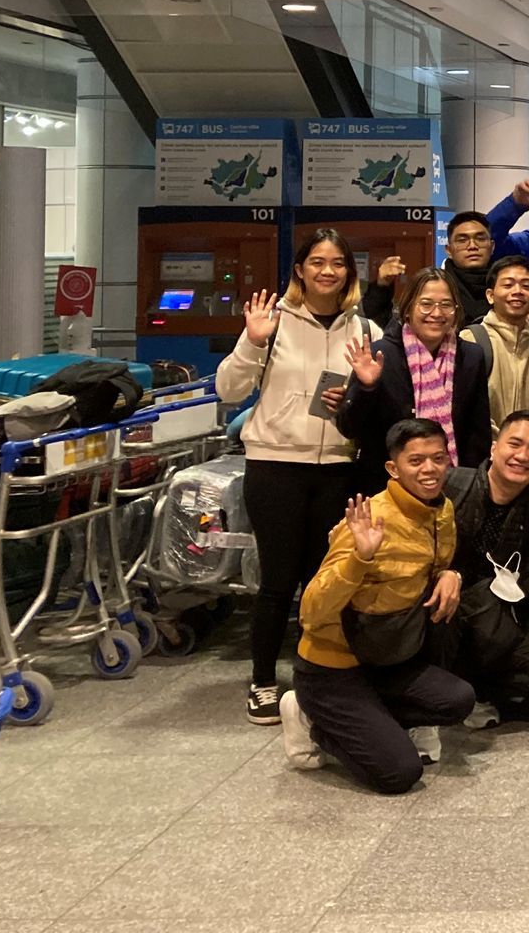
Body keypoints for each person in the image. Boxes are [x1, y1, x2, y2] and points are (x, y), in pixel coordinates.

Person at [216, 227, 380, 725]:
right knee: (278, 580)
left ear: (350, 273)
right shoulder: (274, 322)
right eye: (317, 262)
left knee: (324, 578)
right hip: (275, 465)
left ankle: (319, 672)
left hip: (336, 469)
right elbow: (228, 389)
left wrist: (362, 393)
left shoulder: (365, 329)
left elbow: (369, 411)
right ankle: (263, 680)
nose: (327, 271)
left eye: (337, 263)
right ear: (300, 270)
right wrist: (251, 342)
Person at [279, 418, 475, 793]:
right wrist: (360, 559)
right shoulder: (369, 522)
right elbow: (311, 611)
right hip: (333, 666)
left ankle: (373, 719)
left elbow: (438, 562)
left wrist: (453, 574)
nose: (430, 469)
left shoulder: (441, 509)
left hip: (387, 654)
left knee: (458, 701)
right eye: (416, 461)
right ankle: (309, 718)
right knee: (398, 773)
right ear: (393, 468)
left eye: (438, 457)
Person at [436, 410, 529, 723]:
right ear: (495, 447)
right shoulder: (452, 484)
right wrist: (446, 573)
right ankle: (451, 690)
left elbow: (524, 591)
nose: (522, 456)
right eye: (514, 444)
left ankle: (480, 689)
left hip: (496, 623)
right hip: (443, 611)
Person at [340, 267, 493, 476]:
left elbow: (478, 435)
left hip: (451, 484)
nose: (437, 313)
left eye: (446, 305)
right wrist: (367, 388)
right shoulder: (380, 355)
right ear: (408, 308)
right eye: (426, 304)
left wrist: (469, 483)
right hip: (384, 484)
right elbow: (349, 428)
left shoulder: (471, 356)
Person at [459, 255, 529, 430]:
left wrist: (522, 440)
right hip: (481, 450)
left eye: (526, 286)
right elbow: (466, 402)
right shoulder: (470, 340)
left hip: (527, 449)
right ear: (490, 295)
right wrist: (501, 442)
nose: (517, 291)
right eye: (508, 285)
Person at [361, 211, 497, 328]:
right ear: (449, 250)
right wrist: (381, 286)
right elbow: (385, 324)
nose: (472, 246)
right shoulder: (431, 285)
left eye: (480, 239)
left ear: (491, 247)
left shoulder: (507, 287)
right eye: (462, 240)